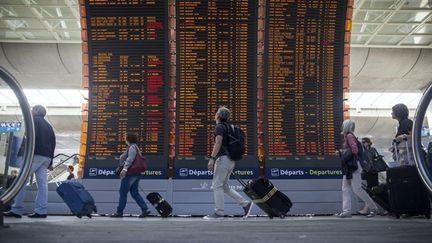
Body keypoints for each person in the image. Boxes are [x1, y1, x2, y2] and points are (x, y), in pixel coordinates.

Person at [4, 105, 56, 218]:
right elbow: (53, 142)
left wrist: (22, 153)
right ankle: (41, 211)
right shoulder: (48, 126)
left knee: (21, 180)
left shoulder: (33, 121)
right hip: (46, 157)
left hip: (35, 154)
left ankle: (17, 209)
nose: (31, 111)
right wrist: (50, 162)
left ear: (37, 110)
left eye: (33, 109)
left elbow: (29, 138)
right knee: (42, 184)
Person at [203, 106, 253, 220]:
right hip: (231, 160)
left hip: (222, 160)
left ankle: (219, 212)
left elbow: (218, 142)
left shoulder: (219, 127)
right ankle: (245, 204)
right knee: (225, 187)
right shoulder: (230, 127)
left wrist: (212, 158)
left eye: (216, 113)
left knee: (217, 185)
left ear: (219, 116)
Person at [335, 119, 378, 218]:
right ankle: (346, 211)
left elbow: (354, 150)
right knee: (345, 188)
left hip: (353, 166)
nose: (342, 127)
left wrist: (342, 153)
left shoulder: (349, 136)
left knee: (357, 189)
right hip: (351, 166)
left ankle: (373, 208)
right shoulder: (349, 136)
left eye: (343, 125)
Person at [110, 132, 150, 218]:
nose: (124, 139)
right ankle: (145, 209)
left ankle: (119, 212)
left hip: (130, 173)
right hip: (136, 173)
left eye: (125, 138)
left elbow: (130, 159)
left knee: (123, 192)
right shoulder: (135, 147)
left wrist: (124, 169)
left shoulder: (132, 147)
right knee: (134, 192)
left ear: (128, 139)